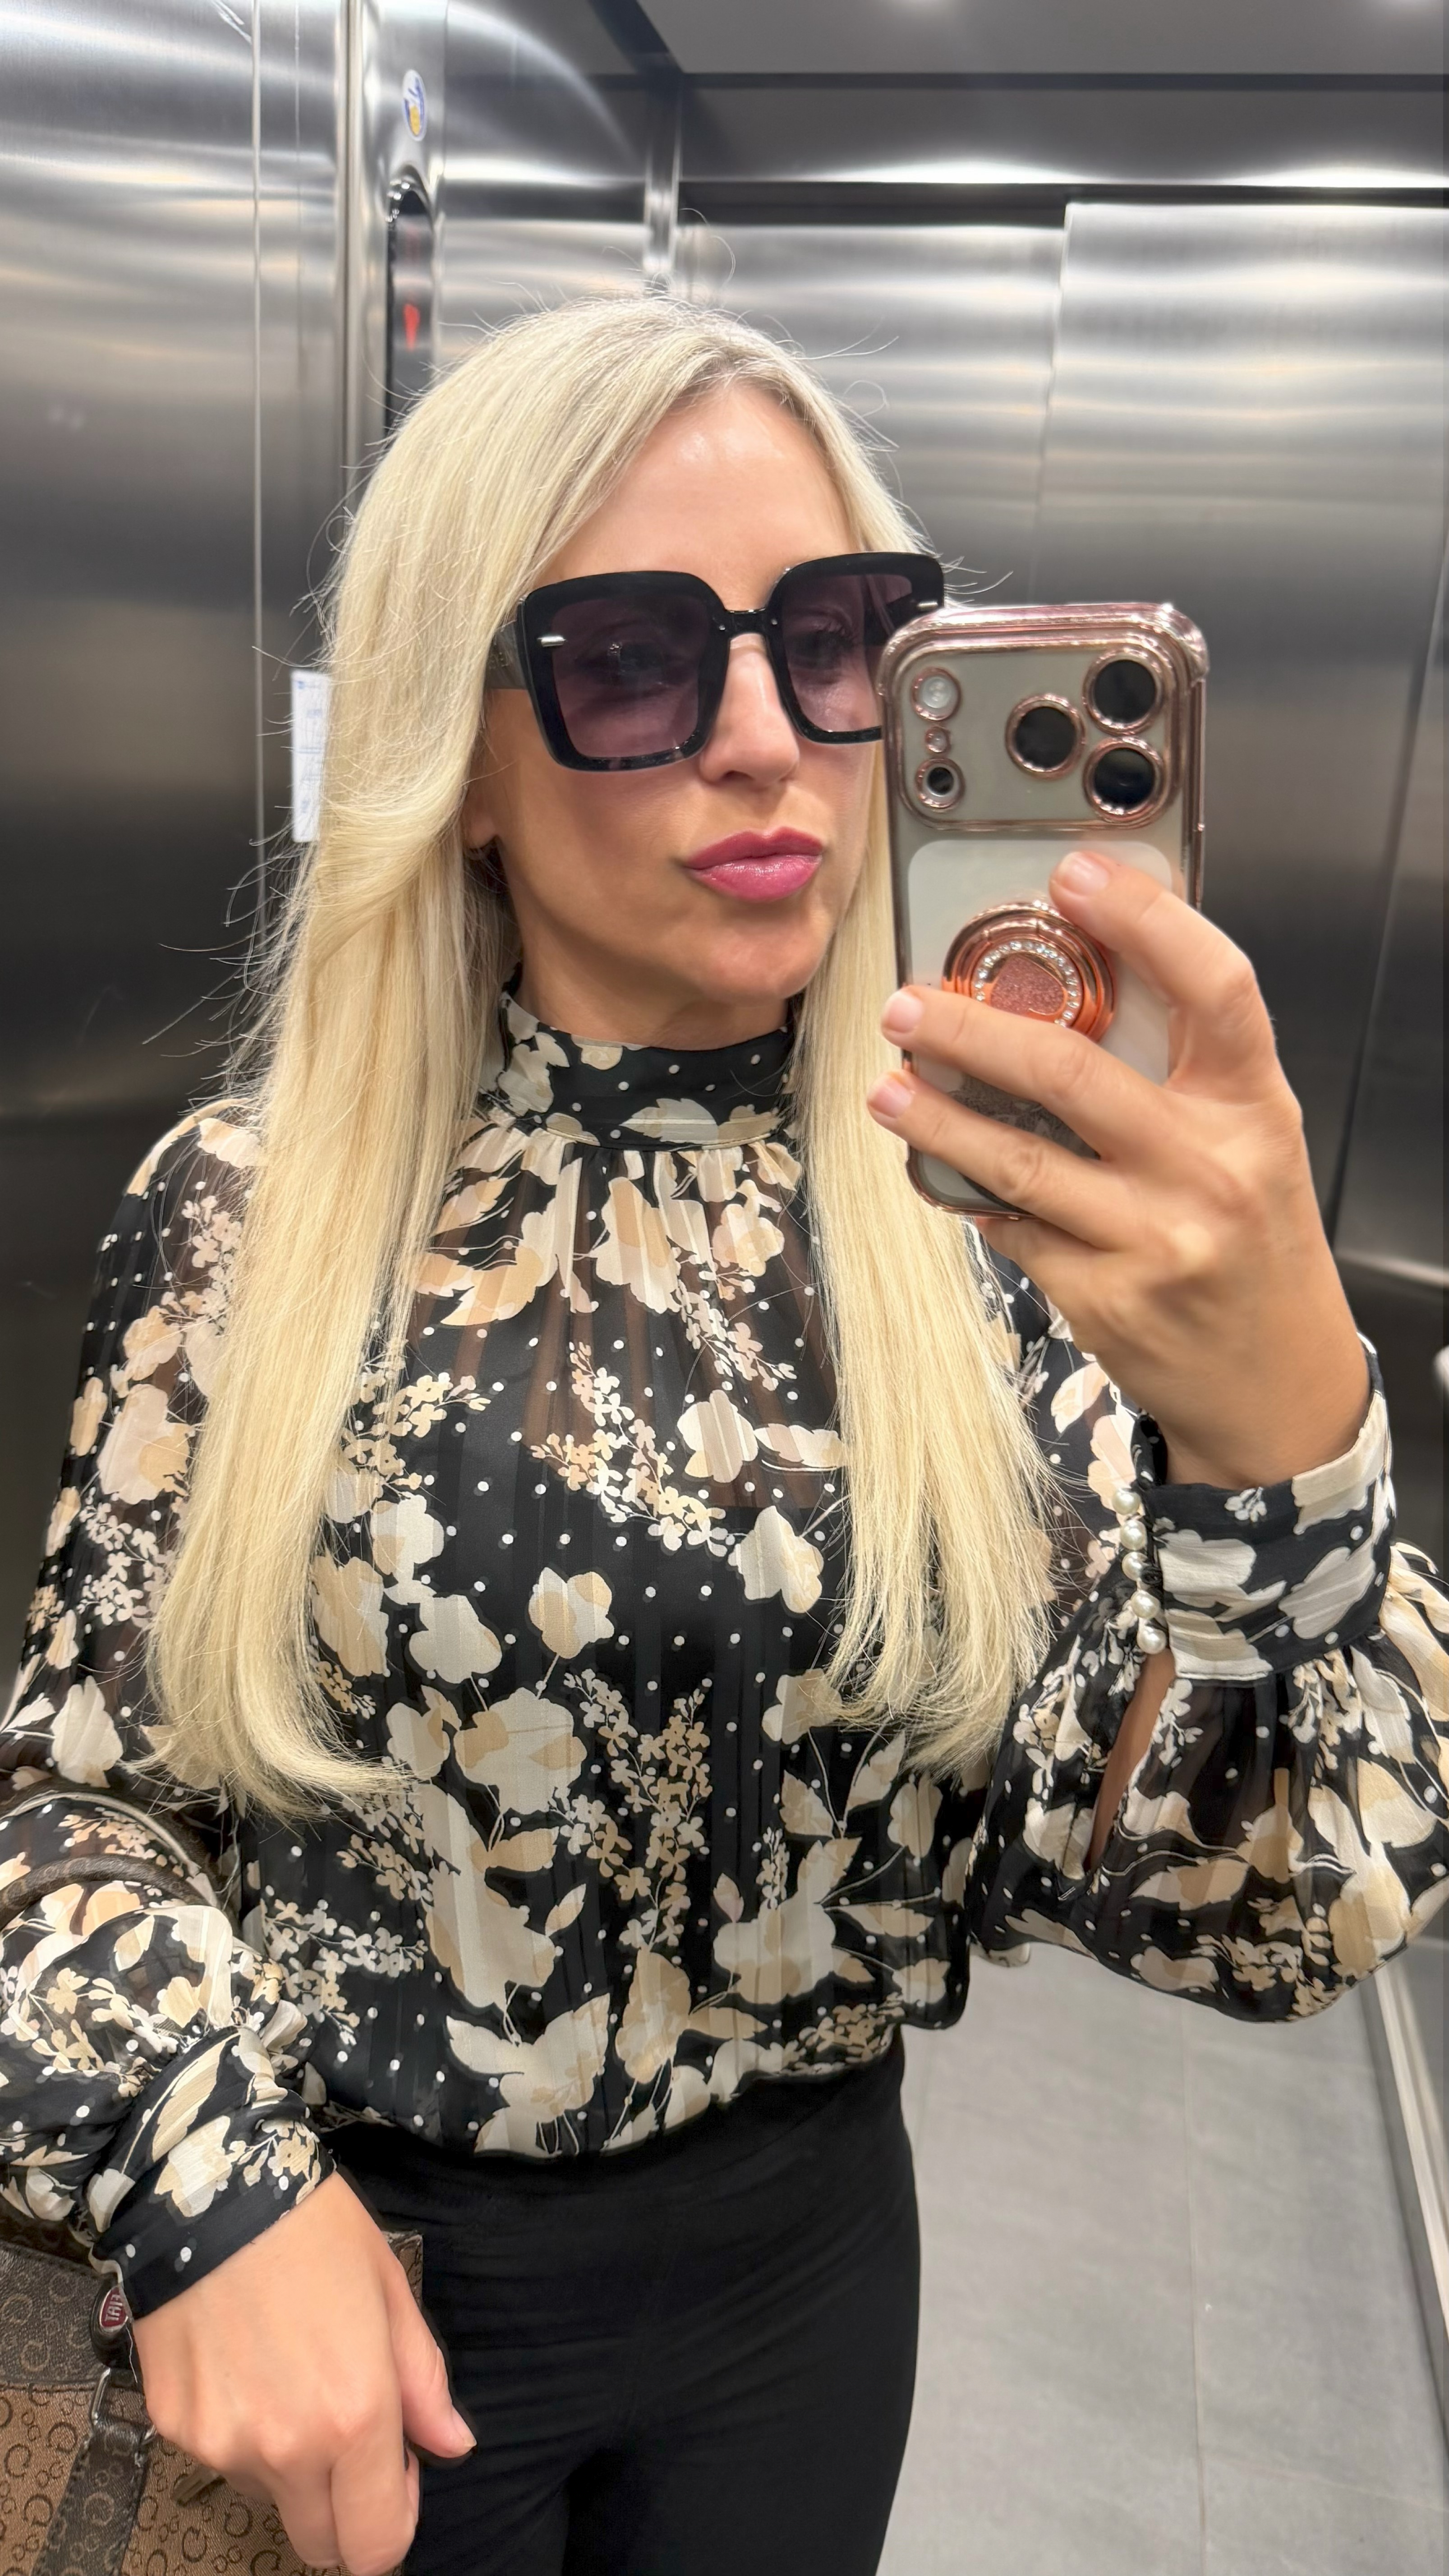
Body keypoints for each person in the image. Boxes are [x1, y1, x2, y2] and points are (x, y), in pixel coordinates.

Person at [1, 296, 1444, 2576]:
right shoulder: (251, 1215)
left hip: (806, 2288)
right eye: (634, 661)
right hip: (359, 2282)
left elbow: (1257, 1916)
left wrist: (1284, 1460)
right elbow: (73, 1819)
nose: (769, 739)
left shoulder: (984, 1225)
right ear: (461, 754)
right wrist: (207, 2184)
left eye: (840, 639)